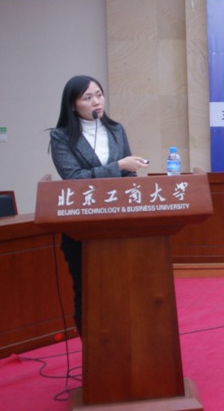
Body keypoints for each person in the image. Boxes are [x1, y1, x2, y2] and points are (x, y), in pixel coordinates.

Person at [49, 75, 149, 336]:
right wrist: (118, 166)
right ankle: (93, 350)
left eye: (99, 94)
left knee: (123, 287)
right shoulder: (61, 137)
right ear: (73, 105)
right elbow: (74, 178)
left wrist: (128, 175)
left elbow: (129, 174)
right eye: (87, 97)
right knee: (88, 290)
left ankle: (126, 343)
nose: (96, 101)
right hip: (82, 228)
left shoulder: (116, 130)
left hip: (119, 224)